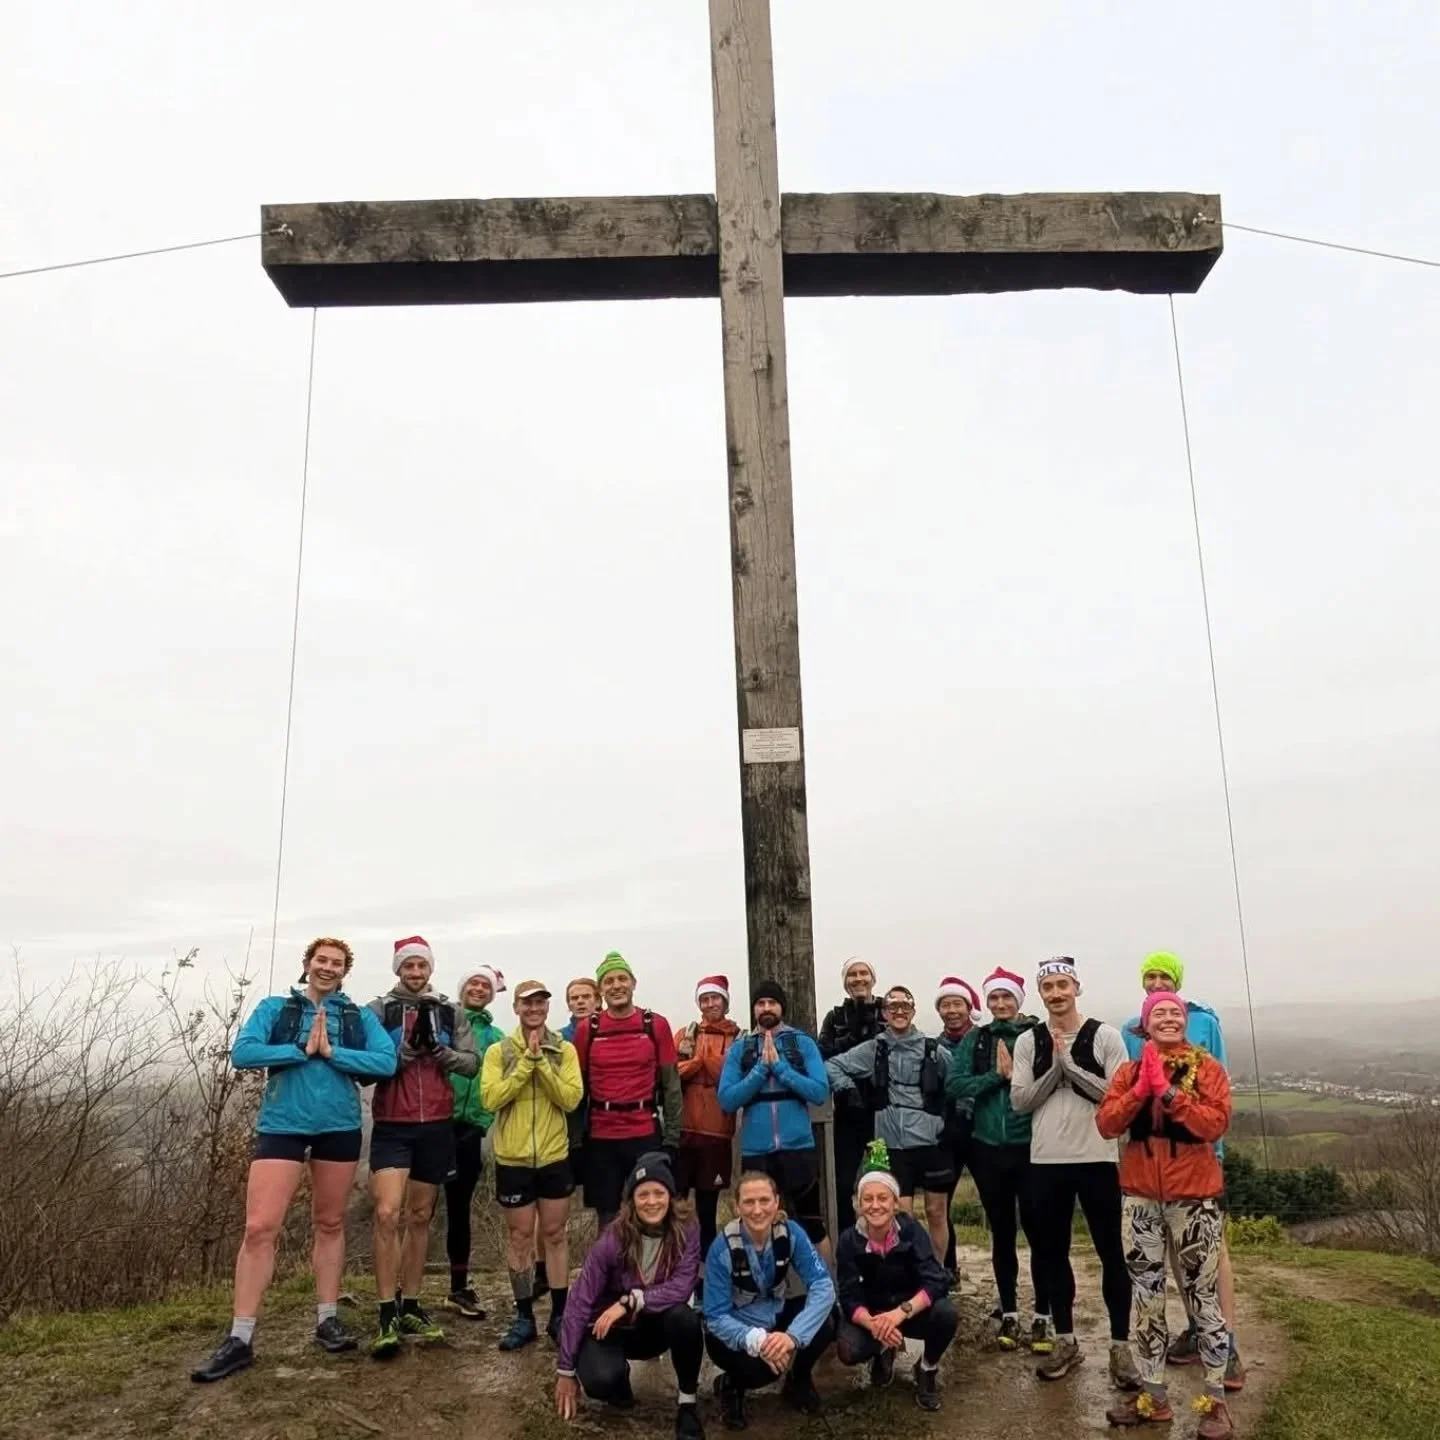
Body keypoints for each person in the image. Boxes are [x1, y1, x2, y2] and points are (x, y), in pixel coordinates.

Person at [191, 938, 396, 1382]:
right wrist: (300, 1049)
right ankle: (240, 1337)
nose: (327, 967)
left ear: (345, 971)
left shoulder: (355, 1015)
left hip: (339, 1125)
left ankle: (327, 1319)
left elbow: (386, 1062)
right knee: (259, 1227)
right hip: (282, 1123)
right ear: (307, 965)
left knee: (330, 1223)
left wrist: (333, 1053)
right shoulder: (274, 1007)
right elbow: (243, 1052)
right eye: (321, 960)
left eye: (336, 963)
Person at [1098, 992, 1235, 1439]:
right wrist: (1141, 1091)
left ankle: (1215, 1401)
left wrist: (1170, 1093)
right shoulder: (1128, 1072)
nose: (1169, 1018)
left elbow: (1214, 1124)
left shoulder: (1207, 1069)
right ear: (1145, 1026)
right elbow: (1106, 1124)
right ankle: (1153, 1398)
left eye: (1175, 1012)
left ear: (1186, 1021)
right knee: (1146, 1297)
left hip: (1194, 1198)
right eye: (1159, 1013)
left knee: (1203, 1298)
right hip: (1139, 1198)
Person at [1009, 957, 1139, 1388]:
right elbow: (1020, 1100)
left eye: (1063, 985)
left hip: (1098, 1157)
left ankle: (1121, 1347)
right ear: (1040, 993)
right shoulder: (1028, 1040)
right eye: (1048, 987)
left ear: (1077, 987)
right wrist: (1056, 1070)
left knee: (1111, 1254)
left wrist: (1073, 1069)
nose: (1057, 993)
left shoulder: (1105, 1035)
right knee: (1051, 1254)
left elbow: (1117, 1098)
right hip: (1046, 1159)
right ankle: (1065, 1339)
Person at [1124, 952, 1244, 1392]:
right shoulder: (1129, 1031)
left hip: (1197, 1155)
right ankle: (1193, 1334)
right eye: (1149, 976)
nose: (1156, 983)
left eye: (1164, 978)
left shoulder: (1204, 1024)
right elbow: (1124, 1092)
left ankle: (1225, 1344)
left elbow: (1217, 1092)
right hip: (1148, 1161)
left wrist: (1212, 1146)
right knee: (1165, 1259)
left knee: (1211, 1255)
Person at [365, 935, 479, 1357]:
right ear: (397, 969)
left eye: (422, 966)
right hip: (393, 1124)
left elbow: (471, 1064)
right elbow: (365, 1068)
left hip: (436, 1124)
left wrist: (440, 1051)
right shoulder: (378, 1011)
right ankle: (384, 1312)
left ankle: (410, 1304)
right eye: (408, 966)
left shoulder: (451, 1011)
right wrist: (404, 1054)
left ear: (430, 969)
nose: (415, 973)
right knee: (386, 1213)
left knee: (419, 1216)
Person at [555, 1152, 705, 1440]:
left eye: (659, 1193)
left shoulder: (687, 1229)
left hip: (653, 1325)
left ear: (671, 1196)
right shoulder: (612, 1239)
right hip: (610, 1329)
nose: (651, 1201)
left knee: (685, 1319)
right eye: (643, 1194)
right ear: (631, 1201)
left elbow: (682, 1286)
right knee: (600, 1380)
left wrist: (630, 1301)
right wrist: (565, 1370)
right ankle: (617, 1381)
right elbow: (579, 1302)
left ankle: (687, 1403)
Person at [944, 967, 1052, 1353]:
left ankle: (1043, 1315)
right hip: (987, 1147)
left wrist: (1017, 1080)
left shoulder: (1039, 1035)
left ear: (1019, 1002)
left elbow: (1051, 1082)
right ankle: (1009, 1312)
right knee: (1002, 1234)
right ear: (986, 1002)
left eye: (1007, 997)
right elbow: (954, 1084)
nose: (1001, 1004)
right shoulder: (977, 1038)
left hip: (1031, 1148)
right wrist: (995, 1076)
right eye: (994, 998)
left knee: (1039, 1233)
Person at [481, 978, 583, 1350]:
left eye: (541, 1003)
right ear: (517, 1008)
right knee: (520, 1237)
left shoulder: (564, 1050)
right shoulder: (499, 1051)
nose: (534, 1009)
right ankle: (523, 1316)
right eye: (528, 1003)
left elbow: (571, 1099)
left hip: (554, 1156)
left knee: (555, 1235)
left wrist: (544, 1065)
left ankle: (560, 1314)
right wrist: (527, 1063)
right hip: (514, 1158)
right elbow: (491, 1098)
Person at [826, 985, 952, 1261]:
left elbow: (955, 1083)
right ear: (884, 1013)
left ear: (913, 1011)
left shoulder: (934, 1049)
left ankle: (938, 1273)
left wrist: (955, 1117)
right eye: (892, 1007)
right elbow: (834, 1065)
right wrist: (848, 1088)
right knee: (900, 1214)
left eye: (904, 1007)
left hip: (932, 1139)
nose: (899, 1012)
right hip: (889, 1141)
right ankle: (906, 1274)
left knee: (936, 1212)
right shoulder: (875, 1048)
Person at [704, 1170, 837, 1427]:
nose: (757, 1210)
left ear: (777, 1202)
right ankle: (733, 1384)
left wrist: (792, 1336)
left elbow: (822, 1284)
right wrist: (758, 1341)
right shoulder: (722, 1247)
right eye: (749, 1202)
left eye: (764, 1200)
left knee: (829, 1321)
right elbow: (715, 1316)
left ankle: (798, 1379)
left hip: (775, 1316)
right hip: (737, 1328)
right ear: (736, 1206)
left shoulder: (790, 1232)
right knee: (759, 1371)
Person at [834, 1140, 958, 1412]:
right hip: (874, 1315)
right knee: (847, 1349)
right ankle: (881, 1350)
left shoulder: (911, 1230)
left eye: (883, 1198)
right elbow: (849, 1296)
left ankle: (927, 1368)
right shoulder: (848, 1241)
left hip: (909, 1310)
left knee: (946, 1313)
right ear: (858, 1204)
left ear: (894, 1202)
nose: (875, 1206)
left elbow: (936, 1281)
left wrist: (900, 1314)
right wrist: (875, 1324)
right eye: (868, 1199)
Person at [718, 979, 832, 1258]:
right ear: (754, 1009)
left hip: (798, 1148)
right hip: (756, 1152)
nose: (766, 1008)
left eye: (772, 1002)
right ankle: (764, 1296)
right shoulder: (740, 1048)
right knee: (758, 1226)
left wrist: (779, 1068)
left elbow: (819, 1092)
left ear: (782, 1007)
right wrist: (760, 1071)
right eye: (760, 1003)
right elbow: (727, 1099)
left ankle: (827, 1294)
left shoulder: (801, 1043)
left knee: (812, 1224)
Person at [572, 951, 683, 1231]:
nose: (616, 985)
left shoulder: (655, 1024)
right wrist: (575, 1142)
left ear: (634, 983)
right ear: (601, 989)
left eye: (622, 979)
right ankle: (609, 1274)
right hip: (601, 1136)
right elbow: (578, 1089)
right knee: (608, 1216)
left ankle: (651, 1274)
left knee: (651, 1212)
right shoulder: (589, 1029)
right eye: (608, 981)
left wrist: (671, 1138)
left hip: (644, 1132)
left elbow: (671, 1085)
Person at [443, 964, 506, 1319]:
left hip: (470, 1130)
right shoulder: (445, 1020)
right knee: (416, 1210)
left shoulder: (496, 1035)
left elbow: (497, 1081)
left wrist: (482, 1121)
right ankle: (405, 1288)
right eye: (473, 983)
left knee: (459, 1210)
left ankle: (458, 1287)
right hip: (435, 1124)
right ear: (463, 987)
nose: (479, 989)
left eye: (485, 985)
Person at [675, 974, 741, 1261]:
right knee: (676, 1206)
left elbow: (729, 1076)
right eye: (704, 999)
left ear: (725, 1001)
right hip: (683, 1129)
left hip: (717, 1132)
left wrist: (699, 1063)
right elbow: (671, 1073)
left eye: (715, 998)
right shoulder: (686, 1033)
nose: (710, 1004)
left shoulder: (738, 1037)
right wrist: (700, 1064)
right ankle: (677, 1265)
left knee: (707, 1209)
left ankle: (705, 1274)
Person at [819, 958, 883, 1232]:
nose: (858, 979)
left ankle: (884, 1243)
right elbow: (824, 1054)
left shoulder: (887, 1009)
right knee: (843, 1182)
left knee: (882, 1177)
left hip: (882, 1112)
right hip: (847, 1112)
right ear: (846, 983)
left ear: (872, 978)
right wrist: (853, 1033)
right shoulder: (835, 1017)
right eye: (852, 975)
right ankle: (848, 1240)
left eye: (863, 973)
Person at [934, 976, 979, 1281]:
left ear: (968, 1007)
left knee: (995, 1203)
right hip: (949, 1133)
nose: (951, 1010)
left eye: (957, 1004)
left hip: (982, 1131)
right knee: (941, 1205)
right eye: (945, 1005)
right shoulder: (934, 1046)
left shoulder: (985, 1040)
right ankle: (948, 1269)